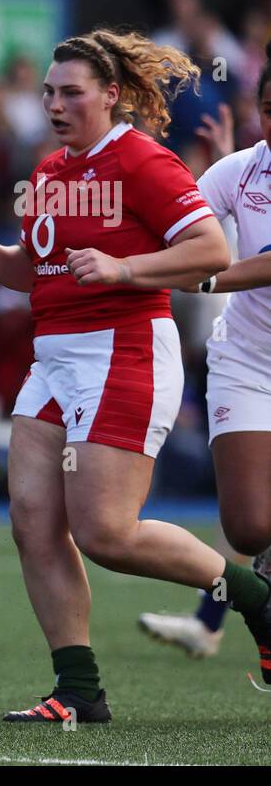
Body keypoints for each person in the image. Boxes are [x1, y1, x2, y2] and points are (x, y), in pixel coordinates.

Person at [0, 28, 271, 724]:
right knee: (33, 522)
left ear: (111, 95)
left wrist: (126, 269)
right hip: (55, 357)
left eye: (71, 92)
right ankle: (79, 691)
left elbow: (208, 248)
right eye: (49, 93)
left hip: (123, 352)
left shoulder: (143, 162)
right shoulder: (52, 170)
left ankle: (252, 597)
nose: (55, 104)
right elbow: (37, 273)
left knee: (106, 533)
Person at [138, 48, 271, 657]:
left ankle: (212, 622)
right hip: (246, 358)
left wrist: (212, 278)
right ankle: (223, 616)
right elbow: (183, 224)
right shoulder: (242, 170)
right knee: (247, 525)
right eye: (268, 111)